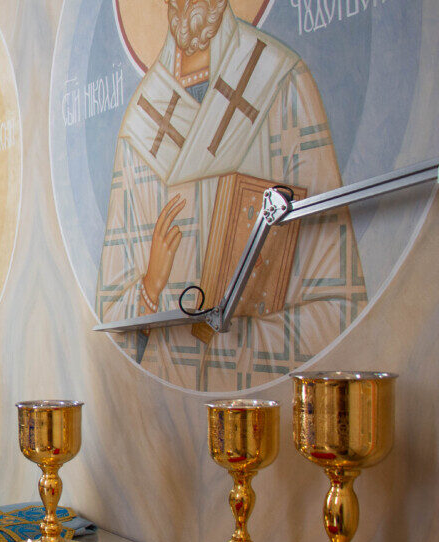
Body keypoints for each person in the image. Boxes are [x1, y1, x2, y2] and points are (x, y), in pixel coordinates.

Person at [96, 0, 366, 391]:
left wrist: (225, 348)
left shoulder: (282, 83)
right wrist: (150, 287)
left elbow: (338, 303)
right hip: (170, 408)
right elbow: (111, 317)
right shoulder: (140, 121)